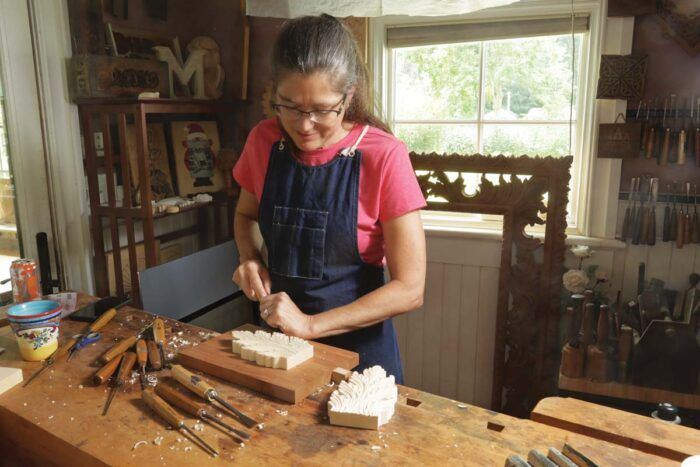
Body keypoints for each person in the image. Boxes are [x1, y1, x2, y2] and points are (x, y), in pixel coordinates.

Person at [231, 14, 426, 383]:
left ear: (348, 96)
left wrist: (309, 324)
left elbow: (410, 289)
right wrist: (250, 258)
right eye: (288, 105)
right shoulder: (263, 141)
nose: (304, 126)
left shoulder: (384, 155)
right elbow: (246, 216)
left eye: (321, 110)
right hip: (281, 349)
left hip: (361, 358)